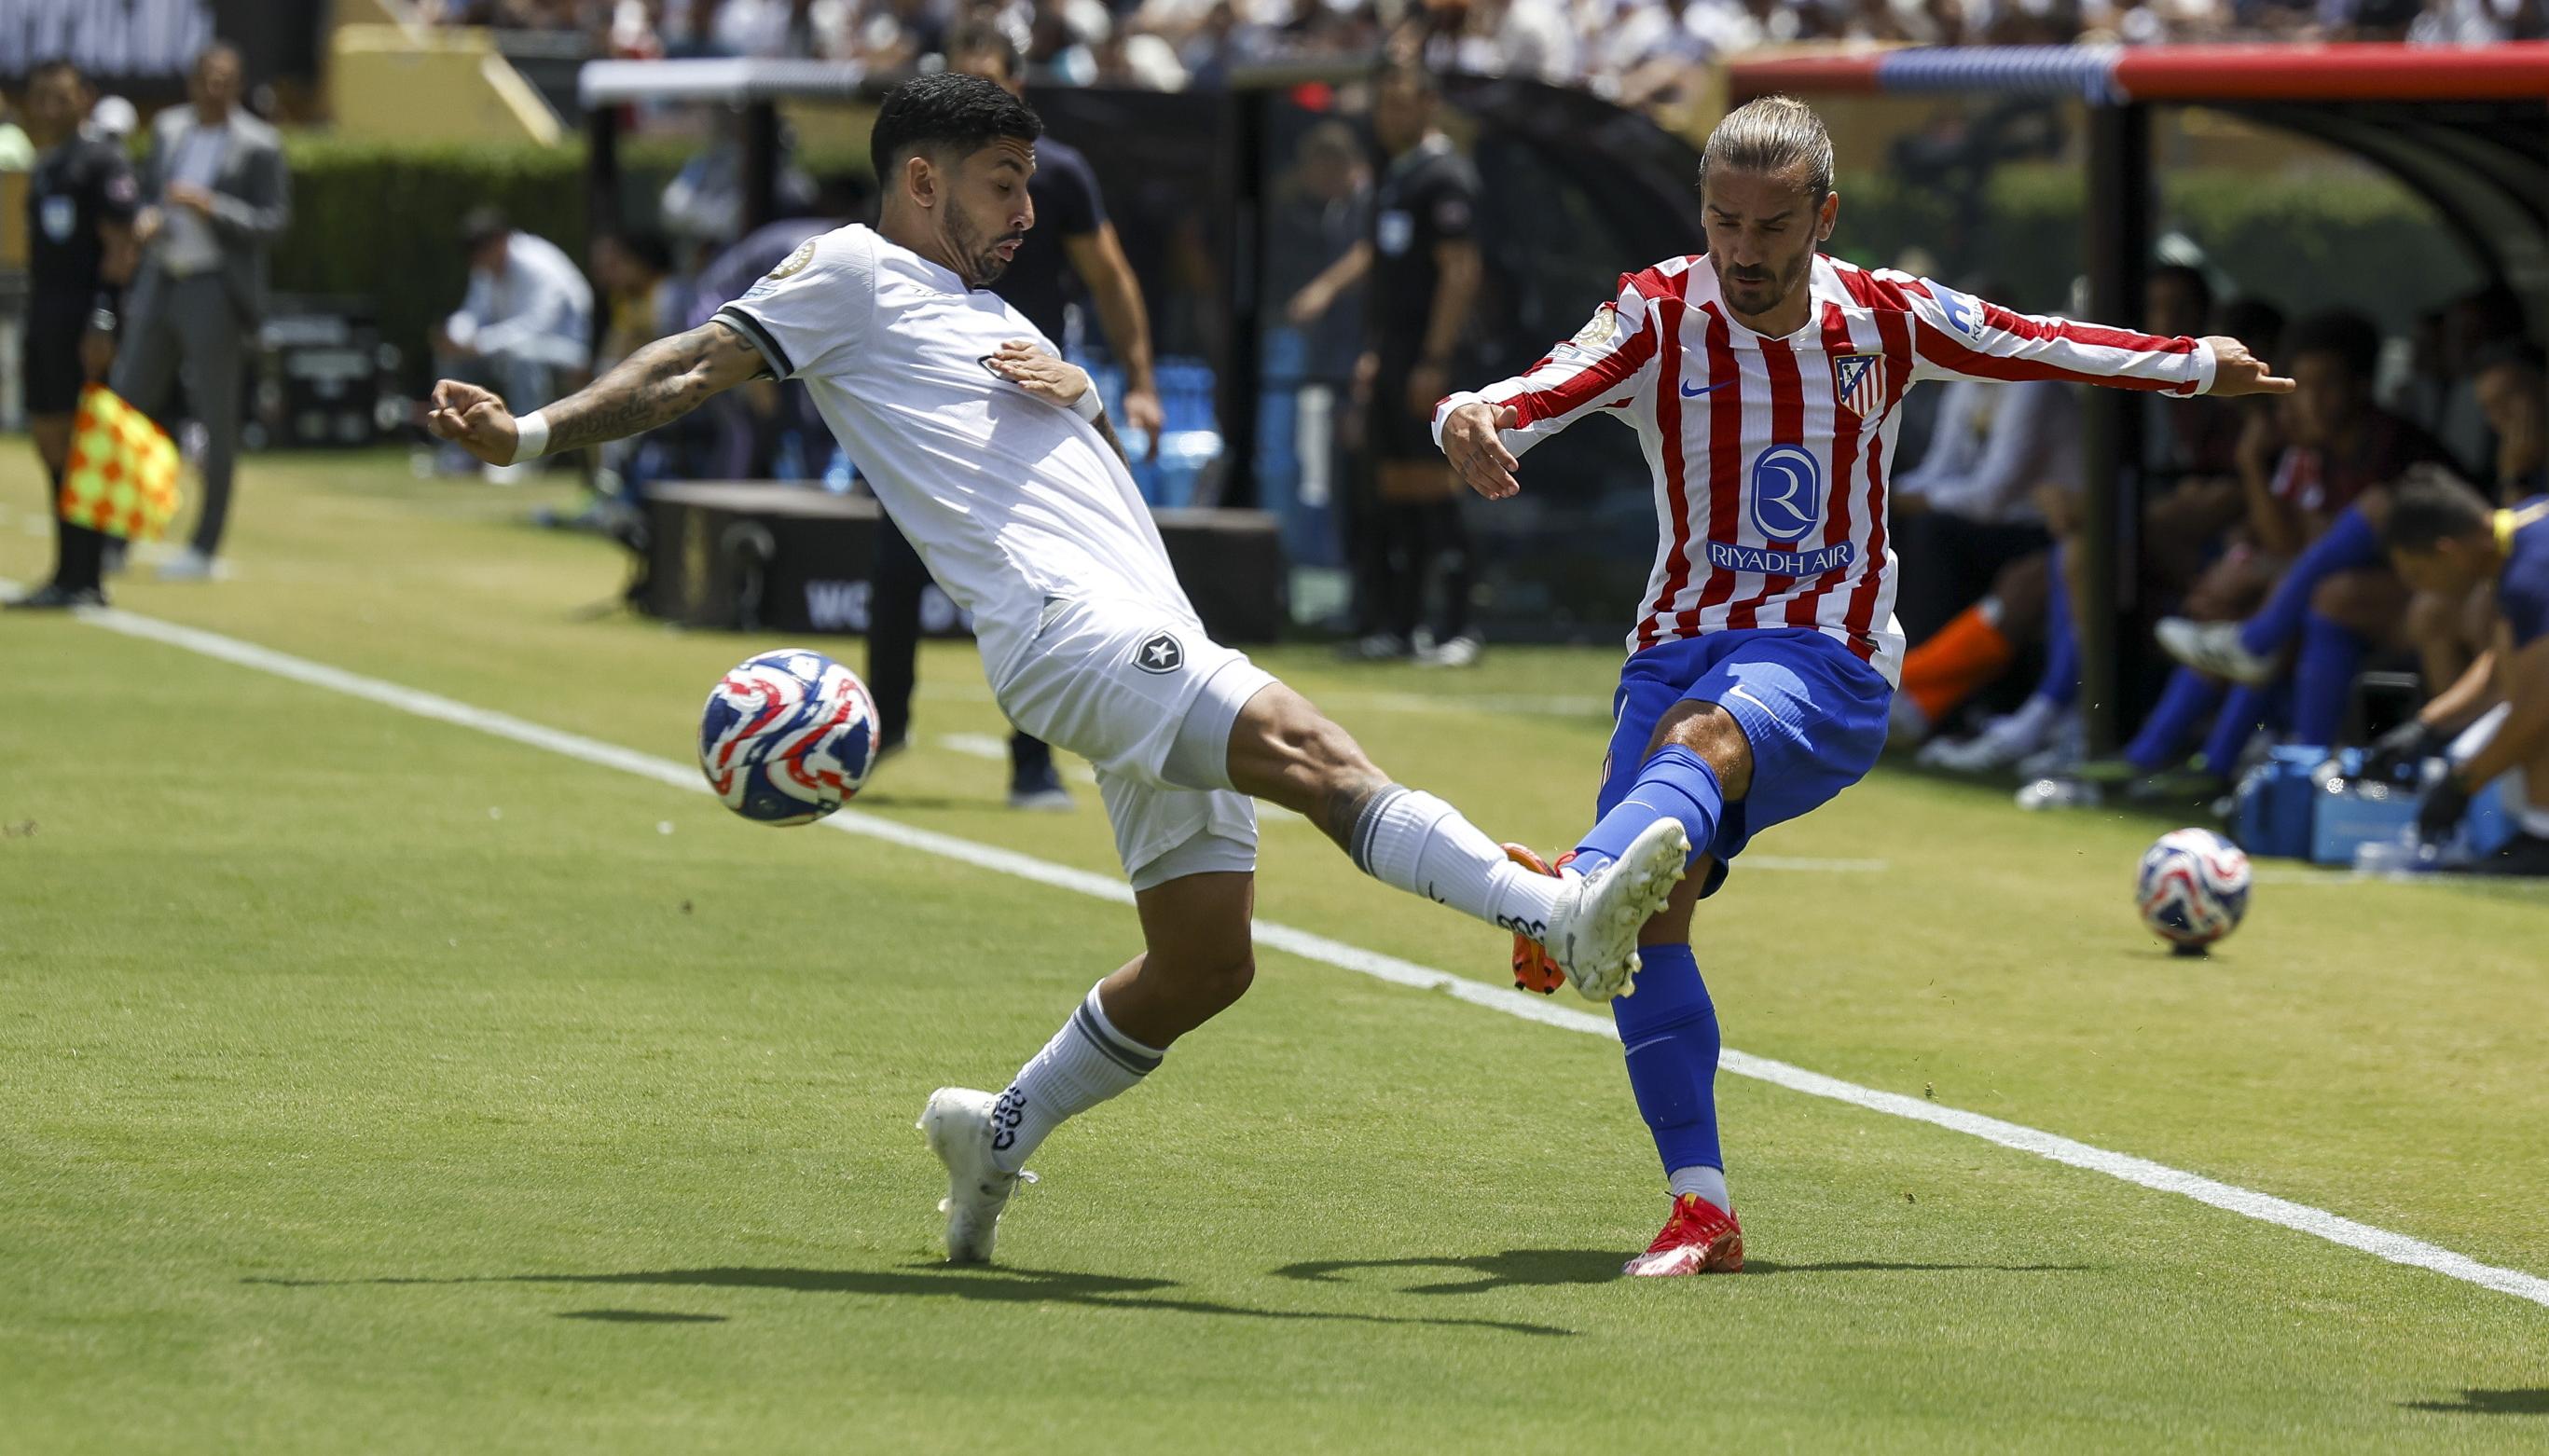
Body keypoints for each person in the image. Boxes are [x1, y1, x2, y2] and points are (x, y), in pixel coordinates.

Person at [423, 73, 1694, 1266]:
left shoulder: (986, 313)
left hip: (1134, 629)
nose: (1027, 210)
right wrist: (533, 432)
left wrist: (1082, 395)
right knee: (1317, 758)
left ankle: (995, 1130)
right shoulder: (855, 270)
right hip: (1069, 635)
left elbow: (1037, 465)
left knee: (1205, 962)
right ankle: (1556, 917)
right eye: (1001, 181)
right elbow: (698, 359)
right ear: (919, 182)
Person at [1433, 94, 2289, 1276]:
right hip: (1675, 642)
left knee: (1696, 755)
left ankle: (1571, 887)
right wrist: (1467, 415)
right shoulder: (1657, 309)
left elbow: (2033, 337)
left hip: (1824, 656)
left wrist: (2194, 365)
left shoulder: (1883, 318)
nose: (1741, 249)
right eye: (1722, 220)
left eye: (1770, 225)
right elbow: (1538, 387)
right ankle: (1701, 1206)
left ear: (1822, 218)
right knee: (1653, 916)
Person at [860, 20, 1172, 810]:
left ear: (1019, 86)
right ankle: (877, 732)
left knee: (1035, 587)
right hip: (932, 403)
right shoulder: (922, 179)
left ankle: (1031, 766)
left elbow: (1110, 277)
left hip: (1027, 407)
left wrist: (1139, 381)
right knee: (896, 571)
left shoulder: (1056, 176)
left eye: (991, 83)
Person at [1289, 63, 1487, 666]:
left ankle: (1458, 626)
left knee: (1433, 488)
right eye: (1383, 106)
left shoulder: (1446, 175)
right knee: (1392, 491)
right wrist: (1374, 348)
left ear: (1428, 104)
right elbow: (1383, 262)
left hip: (1429, 358)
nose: (1388, 117)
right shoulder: (1395, 175)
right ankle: (1399, 626)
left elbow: (1459, 270)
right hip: (1395, 354)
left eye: (1401, 105)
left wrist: (1435, 357)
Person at [111, 41, 290, 582]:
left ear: (236, 85)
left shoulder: (260, 144)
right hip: (161, 278)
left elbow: (274, 223)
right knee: (127, 411)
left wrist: (211, 206)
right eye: (206, 78)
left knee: (215, 422)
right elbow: (147, 196)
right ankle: (115, 538)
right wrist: (146, 220)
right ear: (192, 81)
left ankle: (204, 546)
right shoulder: (168, 129)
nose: (214, 88)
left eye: (225, 80)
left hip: (215, 287)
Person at [5, 58, 138, 611]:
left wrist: (103, 317)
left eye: (61, 97)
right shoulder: (47, 164)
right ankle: (67, 570)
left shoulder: (100, 161)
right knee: (49, 437)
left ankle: (88, 572)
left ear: (84, 98)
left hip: (85, 318)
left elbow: (122, 246)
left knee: (84, 444)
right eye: (41, 97)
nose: (50, 108)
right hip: (45, 313)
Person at [2373, 469, 2549, 875]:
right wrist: (2427, 725)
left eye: (2419, 574)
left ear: (2447, 551)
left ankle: (2543, 840)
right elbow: (2504, 659)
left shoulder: (2531, 572)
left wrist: (2461, 785)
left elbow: (2539, 707)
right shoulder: (2523, 534)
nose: (2423, 590)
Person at [437, 208, 596, 448]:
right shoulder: (485, 268)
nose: (478, 262)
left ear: (500, 241)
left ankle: (525, 448)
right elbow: (473, 313)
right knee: (451, 360)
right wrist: (455, 336)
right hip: (511, 349)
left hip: (569, 350)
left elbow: (538, 326)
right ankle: (458, 449)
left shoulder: (537, 264)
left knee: (522, 356)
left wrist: (479, 343)